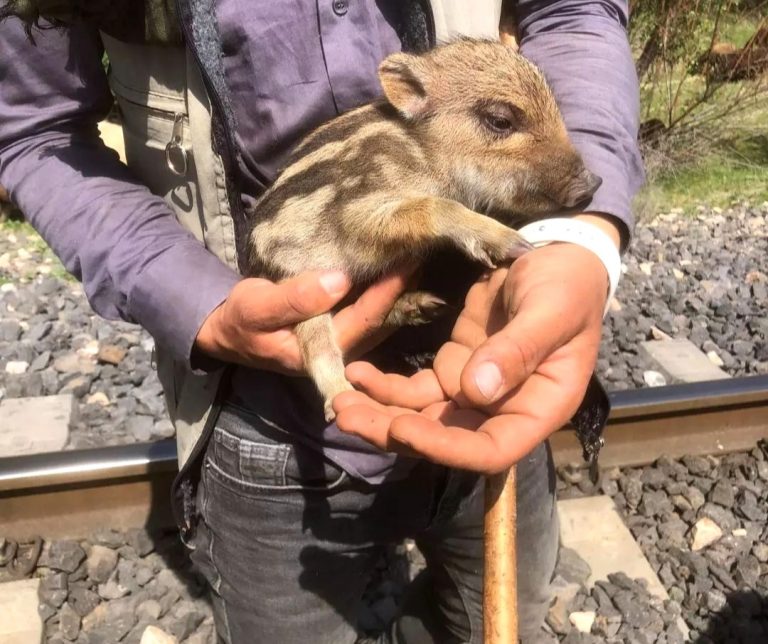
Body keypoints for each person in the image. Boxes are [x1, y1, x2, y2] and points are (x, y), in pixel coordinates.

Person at [0, 2, 643, 642]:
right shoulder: (403, 153)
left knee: (506, 612)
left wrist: (579, 235)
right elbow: (33, 130)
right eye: (500, 123)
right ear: (409, 94)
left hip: (491, 359)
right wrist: (200, 306)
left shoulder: (428, 131)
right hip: (264, 416)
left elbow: (571, 9)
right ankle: (333, 388)